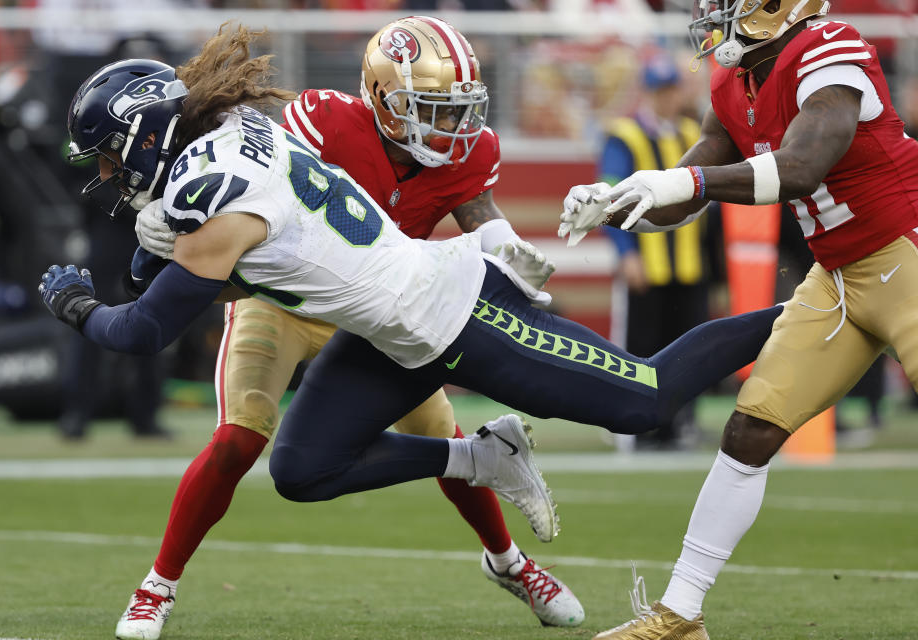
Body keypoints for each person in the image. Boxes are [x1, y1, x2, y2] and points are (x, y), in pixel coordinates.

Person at [40, 23, 781, 639]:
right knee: (298, 469)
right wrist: (162, 248)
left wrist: (79, 301)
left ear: (144, 140)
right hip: (375, 320)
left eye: (111, 156)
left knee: (644, 400)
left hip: (448, 310)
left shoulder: (217, 186)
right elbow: (212, 246)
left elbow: (142, 330)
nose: (109, 172)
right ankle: (480, 459)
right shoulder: (253, 131)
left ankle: (801, 311)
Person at [117, 16, 586, 639]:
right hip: (280, 299)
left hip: (376, 311)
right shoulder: (325, 121)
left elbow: (483, 221)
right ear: (385, 98)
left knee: (444, 433)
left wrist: (514, 259)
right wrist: (172, 217)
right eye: (435, 109)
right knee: (238, 439)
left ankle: (509, 564)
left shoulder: (467, 152)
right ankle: (158, 586)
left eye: (458, 111)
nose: (452, 128)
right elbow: (236, 177)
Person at [559, 1, 918, 637]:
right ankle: (679, 615)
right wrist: (619, 202)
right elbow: (685, 187)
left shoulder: (829, 47)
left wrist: (685, 183)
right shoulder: (734, 77)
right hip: (837, 276)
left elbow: (802, 166)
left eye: (727, 3)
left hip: (905, 252)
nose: (711, 14)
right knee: (750, 430)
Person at [601, 52, 709, 450]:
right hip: (647, 264)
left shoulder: (690, 133)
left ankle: (679, 424)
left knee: (689, 348)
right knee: (641, 349)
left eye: (671, 90)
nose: (666, 98)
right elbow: (608, 197)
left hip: (688, 264)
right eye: (660, 90)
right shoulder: (625, 135)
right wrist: (626, 253)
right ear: (648, 92)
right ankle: (636, 426)